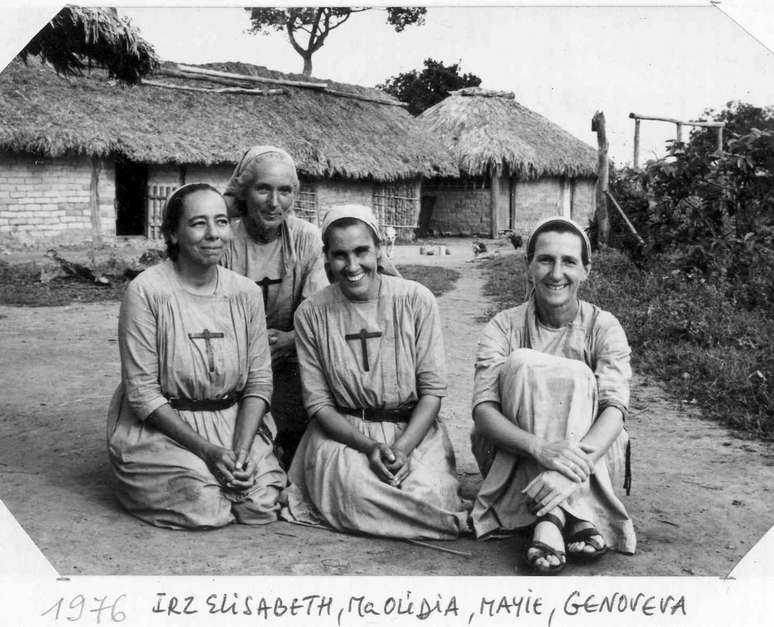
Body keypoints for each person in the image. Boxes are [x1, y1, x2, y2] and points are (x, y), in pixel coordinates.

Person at [282, 204, 468, 539]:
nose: (352, 266)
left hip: (412, 431)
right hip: (346, 435)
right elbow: (319, 405)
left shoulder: (416, 300)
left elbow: (432, 392)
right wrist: (369, 448)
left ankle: (419, 510)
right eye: (340, 255)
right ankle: (421, 519)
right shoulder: (311, 314)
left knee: (429, 494)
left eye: (361, 251)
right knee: (354, 491)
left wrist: (403, 449)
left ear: (379, 249)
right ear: (326, 258)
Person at [107, 183, 286, 529]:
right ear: (173, 234)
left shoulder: (245, 293)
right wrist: (207, 451)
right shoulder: (146, 292)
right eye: (198, 223)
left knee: (260, 504)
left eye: (221, 222)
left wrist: (242, 450)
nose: (213, 235)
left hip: (233, 423)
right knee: (205, 505)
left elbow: (259, 380)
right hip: (168, 425)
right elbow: (142, 393)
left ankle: (240, 462)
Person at [470, 215, 635, 574]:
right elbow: (483, 412)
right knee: (525, 364)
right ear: (529, 266)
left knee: (577, 377)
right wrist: (540, 448)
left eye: (569, 261)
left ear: (586, 270)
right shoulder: (504, 325)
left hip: (592, 459)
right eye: (545, 259)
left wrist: (567, 471)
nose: (556, 272)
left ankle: (549, 520)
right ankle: (576, 515)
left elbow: (615, 408)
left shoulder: (603, 326)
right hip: (515, 453)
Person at [221, 146, 328, 468]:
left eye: (285, 191)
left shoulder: (306, 238)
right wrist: (252, 347)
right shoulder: (224, 238)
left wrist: (292, 339)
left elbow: (321, 308)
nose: (274, 202)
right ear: (244, 190)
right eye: (263, 189)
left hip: (291, 356)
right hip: (234, 357)